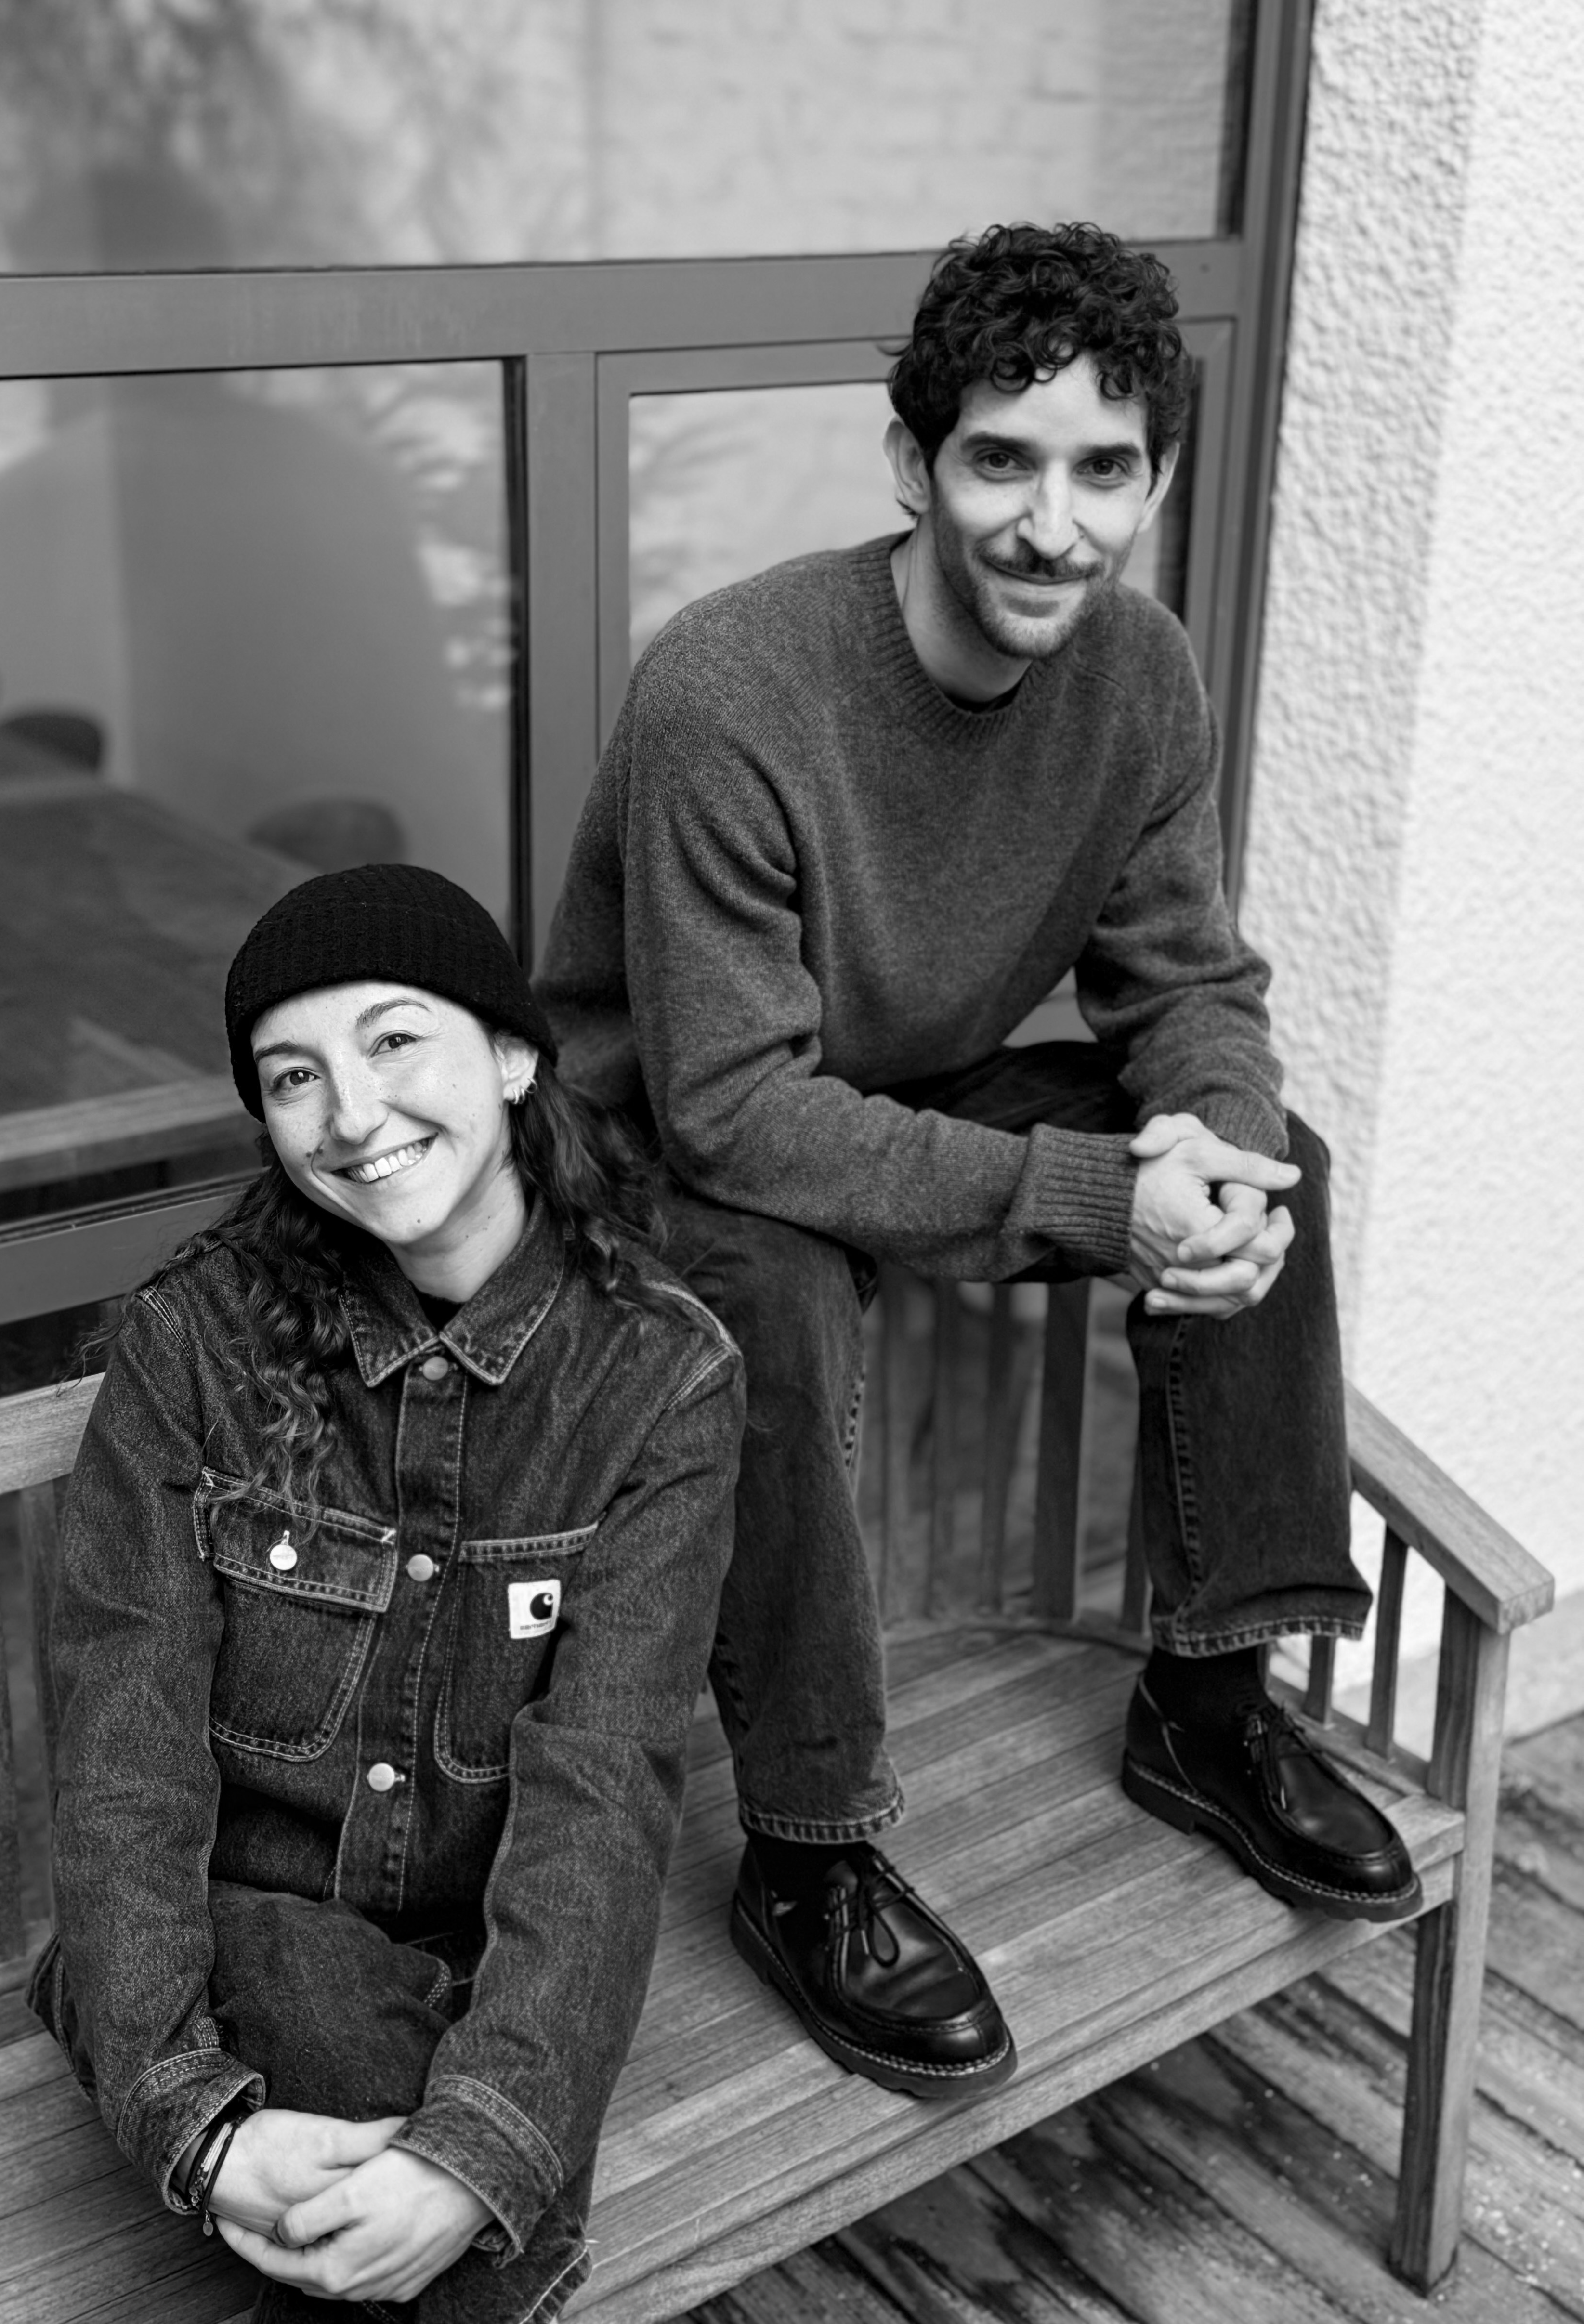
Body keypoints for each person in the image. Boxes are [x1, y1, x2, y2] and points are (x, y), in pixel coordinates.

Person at [537, 220, 1419, 2102]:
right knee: (766, 1282)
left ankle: (1207, 1704)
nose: (1050, 524)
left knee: (1274, 1153)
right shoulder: (731, 690)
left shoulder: (1139, 678)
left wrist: (1214, 1164)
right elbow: (734, 1110)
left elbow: (1185, 984)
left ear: (1153, 483)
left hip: (910, 1090)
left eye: (1103, 471)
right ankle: (811, 1851)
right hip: (665, 1147)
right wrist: (1098, 1198)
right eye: (999, 460)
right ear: (909, 463)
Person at [30, 864, 743, 2323]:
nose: (352, 1116)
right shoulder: (193, 1350)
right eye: (294, 1076)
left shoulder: (659, 1379)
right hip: (230, 1933)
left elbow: (603, 1790)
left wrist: (473, 2147)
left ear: (514, 1055)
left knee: (413, 2168)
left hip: (489, 1950)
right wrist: (196, 2120)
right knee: (355, 2074)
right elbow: (124, 1763)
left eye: (396, 1039)